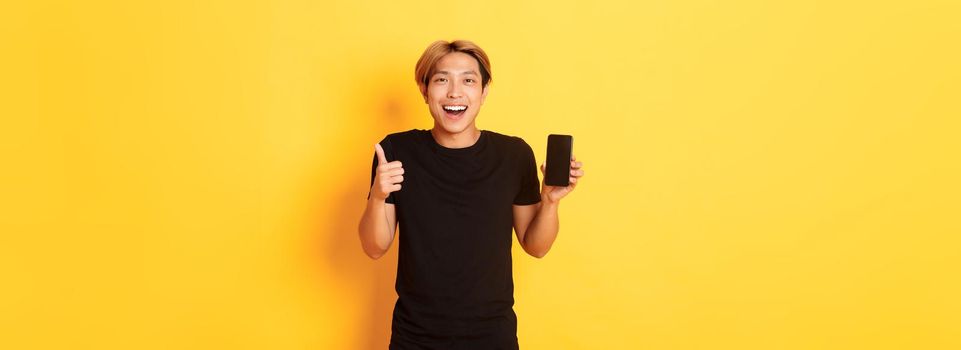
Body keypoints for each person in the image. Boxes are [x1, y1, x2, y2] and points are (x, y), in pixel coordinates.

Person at [357, 39, 585, 349]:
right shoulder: (395, 152)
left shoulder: (513, 155)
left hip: (492, 337)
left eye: (468, 80)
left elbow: (536, 246)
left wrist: (550, 202)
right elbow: (374, 247)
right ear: (424, 90)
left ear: (483, 92)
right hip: (415, 338)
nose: (454, 92)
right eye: (441, 80)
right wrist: (378, 196)